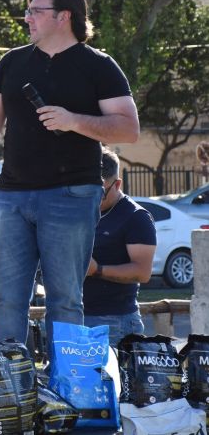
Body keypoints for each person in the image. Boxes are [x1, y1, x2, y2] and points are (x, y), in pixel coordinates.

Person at [0, 0, 140, 349]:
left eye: (37, 11)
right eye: (28, 11)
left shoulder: (98, 65)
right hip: (12, 196)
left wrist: (74, 121)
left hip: (71, 195)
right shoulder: (12, 62)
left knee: (64, 300)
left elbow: (129, 129)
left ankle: (65, 390)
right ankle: (8, 386)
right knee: (6, 297)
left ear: (64, 16)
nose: (28, 18)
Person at [83, 147, 156, 347]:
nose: (93, 198)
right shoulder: (82, 210)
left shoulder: (136, 217)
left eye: (100, 192)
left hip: (114, 320)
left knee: (114, 379)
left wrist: (97, 270)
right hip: (76, 315)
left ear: (117, 184)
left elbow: (142, 272)